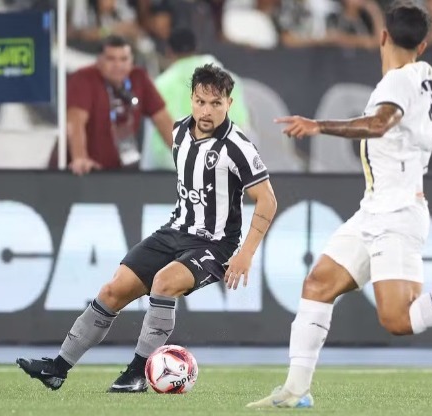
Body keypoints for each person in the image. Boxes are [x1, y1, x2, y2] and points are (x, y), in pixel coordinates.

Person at [247, 0, 432, 409]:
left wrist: (319, 126)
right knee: (317, 284)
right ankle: (296, 390)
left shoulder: (395, 83)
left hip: (398, 214)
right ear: (423, 45)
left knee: (398, 319)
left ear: (383, 35)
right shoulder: (430, 80)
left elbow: (379, 123)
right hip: (374, 210)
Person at [20, 64, 278, 393]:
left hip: (214, 245)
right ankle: (57, 368)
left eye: (216, 103)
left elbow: (267, 200)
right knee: (112, 291)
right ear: (191, 99)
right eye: (200, 102)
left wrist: (246, 254)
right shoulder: (180, 132)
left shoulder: (237, 146)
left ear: (229, 103)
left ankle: (138, 373)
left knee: (164, 283)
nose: (206, 111)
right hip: (174, 232)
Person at [50, 35, 174, 175]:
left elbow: (163, 120)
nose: (118, 65)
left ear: (132, 61)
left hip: (120, 172)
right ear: (99, 60)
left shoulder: (139, 78)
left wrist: (188, 157)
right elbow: (75, 121)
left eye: (124, 59)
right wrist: (80, 158)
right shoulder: (84, 78)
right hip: (83, 174)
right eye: (111, 59)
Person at [141, 27, 251, 170]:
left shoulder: (161, 84)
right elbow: (242, 126)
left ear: (169, 51)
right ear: (197, 47)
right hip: (221, 165)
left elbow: (155, 139)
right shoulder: (231, 80)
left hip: (171, 170)